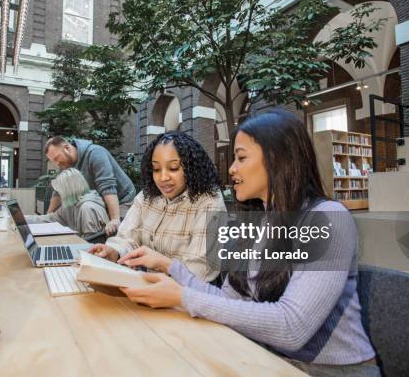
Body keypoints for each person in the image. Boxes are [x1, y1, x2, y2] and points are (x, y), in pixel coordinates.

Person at [116, 111, 379, 376]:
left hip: (330, 370)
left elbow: (292, 327)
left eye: (241, 158)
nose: (231, 169)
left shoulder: (327, 218)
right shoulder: (257, 222)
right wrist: (170, 268)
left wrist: (183, 297)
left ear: (278, 159)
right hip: (266, 358)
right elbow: (229, 299)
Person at [89, 131, 226, 283]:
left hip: (187, 298)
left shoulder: (210, 202)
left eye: (173, 168)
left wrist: (163, 264)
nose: (163, 178)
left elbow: (200, 271)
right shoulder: (148, 195)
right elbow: (127, 237)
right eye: (156, 169)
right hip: (146, 286)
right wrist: (114, 251)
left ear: (191, 168)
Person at [44, 137, 136, 235]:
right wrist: (49, 214)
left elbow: (107, 186)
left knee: (115, 232)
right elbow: (58, 191)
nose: (57, 164)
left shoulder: (96, 153)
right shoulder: (65, 163)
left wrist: (114, 219)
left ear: (67, 148)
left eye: (57, 158)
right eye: (53, 161)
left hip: (122, 200)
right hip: (100, 201)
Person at [46, 168, 109, 238]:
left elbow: (92, 243)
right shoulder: (71, 203)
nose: (59, 193)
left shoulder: (88, 208)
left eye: (61, 189)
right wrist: (32, 219)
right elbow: (52, 218)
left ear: (69, 189)